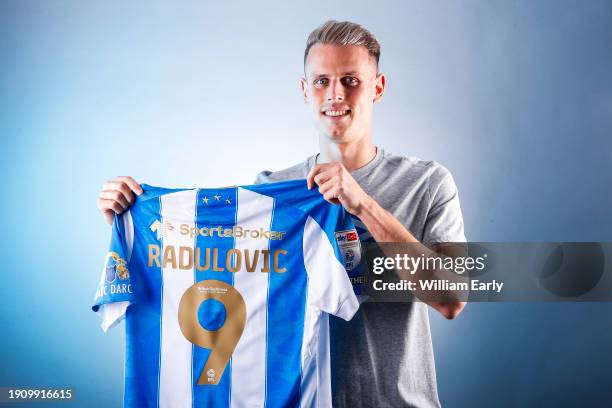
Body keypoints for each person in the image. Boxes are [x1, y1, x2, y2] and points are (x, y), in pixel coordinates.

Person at [98, 20, 466, 408]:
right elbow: (217, 276)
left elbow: (452, 297)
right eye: (322, 81)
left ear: (377, 87)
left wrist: (362, 204)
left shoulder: (427, 182)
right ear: (305, 91)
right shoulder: (271, 193)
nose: (336, 94)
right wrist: (136, 230)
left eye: (351, 80)